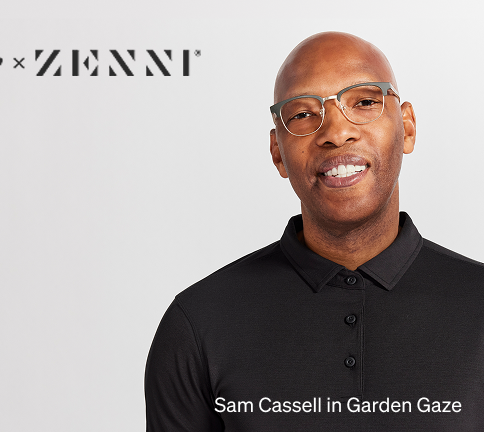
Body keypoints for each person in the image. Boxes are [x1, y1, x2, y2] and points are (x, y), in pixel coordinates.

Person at [144, 32, 484, 431]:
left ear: (406, 128)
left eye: (365, 102)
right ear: (278, 153)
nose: (337, 133)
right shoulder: (198, 324)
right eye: (303, 114)